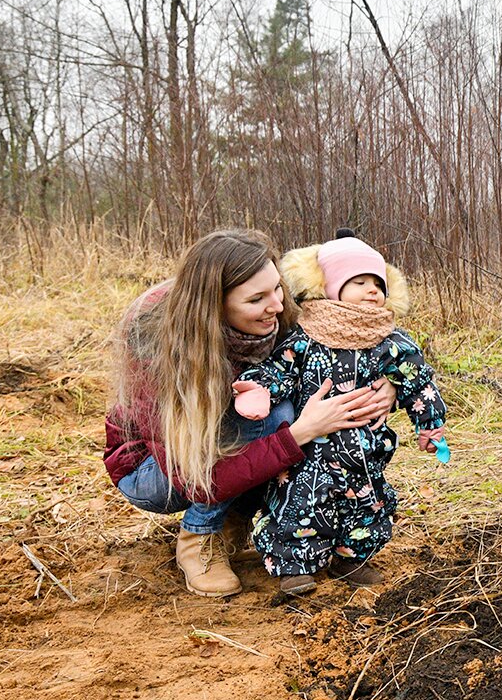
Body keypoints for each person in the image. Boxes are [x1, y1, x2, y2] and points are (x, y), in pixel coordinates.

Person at [103, 229, 396, 598]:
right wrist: (299, 433)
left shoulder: (278, 317)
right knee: (280, 418)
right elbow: (192, 475)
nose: (275, 305)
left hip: (225, 449)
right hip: (156, 471)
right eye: (256, 298)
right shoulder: (159, 345)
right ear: (215, 307)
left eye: (277, 288)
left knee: (290, 414)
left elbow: (354, 324)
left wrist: (390, 384)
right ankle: (200, 536)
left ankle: (234, 521)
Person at [233, 230, 447, 596]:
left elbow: (418, 381)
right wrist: (258, 391)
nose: (371, 291)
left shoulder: (392, 342)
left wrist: (429, 424)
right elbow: (279, 369)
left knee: (368, 506)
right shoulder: (306, 337)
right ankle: (296, 567)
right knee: (301, 510)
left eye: (378, 284)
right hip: (311, 455)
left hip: (366, 452)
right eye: (358, 282)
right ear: (330, 287)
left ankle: (353, 558)